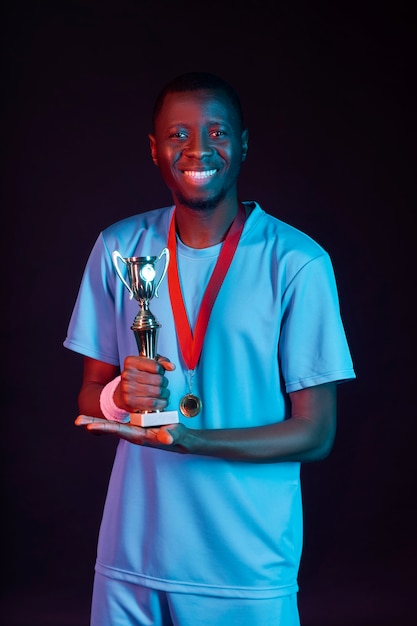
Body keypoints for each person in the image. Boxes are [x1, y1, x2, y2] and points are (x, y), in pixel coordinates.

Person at [64, 71, 355, 626]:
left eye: (217, 133)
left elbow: (316, 434)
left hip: (245, 569)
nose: (198, 149)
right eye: (178, 135)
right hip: (132, 561)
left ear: (243, 145)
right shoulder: (118, 248)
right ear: (155, 150)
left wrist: (191, 439)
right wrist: (119, 396)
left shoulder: (297, 262)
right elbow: (89, 399)